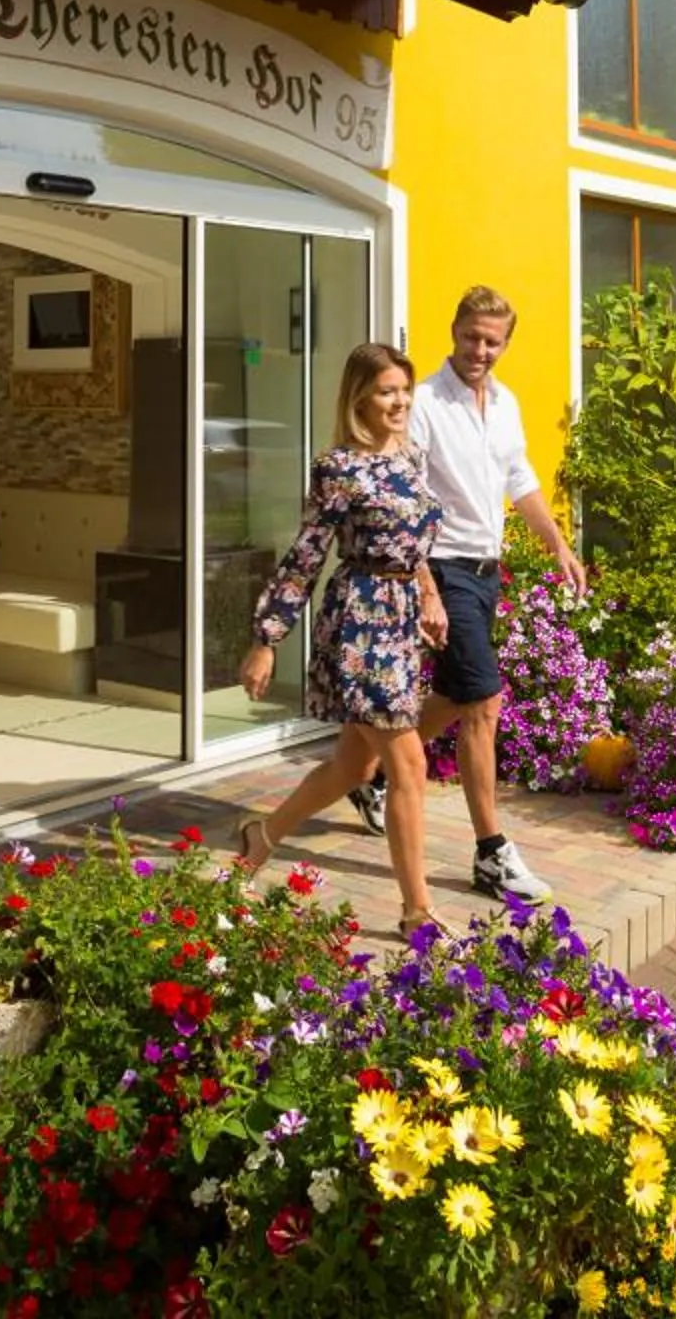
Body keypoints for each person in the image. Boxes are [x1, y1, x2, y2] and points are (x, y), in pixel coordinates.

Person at [348, 285, 587, 905]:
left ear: (506, 343)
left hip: (486, 568)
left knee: (457, 694)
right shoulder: (423, 402)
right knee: (484, 701)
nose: (481, 350)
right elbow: (404, 491)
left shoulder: (504, 403)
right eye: (472, 336)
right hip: (442, 566)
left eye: (493, 341)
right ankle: (491, 853)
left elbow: (520, 479)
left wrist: (558, 544)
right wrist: (422, 582)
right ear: (453, 329)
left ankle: (365, 772)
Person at [232, 342, 448, 934]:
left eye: (404, 389)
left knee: (352, 768)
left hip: (401, 620)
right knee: (409, 764)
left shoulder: (412, 458)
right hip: (360, 622)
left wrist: (428, 595)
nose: (400, 400)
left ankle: (260, 837)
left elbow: (416, 545)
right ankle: (417, 911)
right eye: (386, 391)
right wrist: (267, 637)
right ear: (360, 397)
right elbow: (306, 555)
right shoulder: (338, 468)